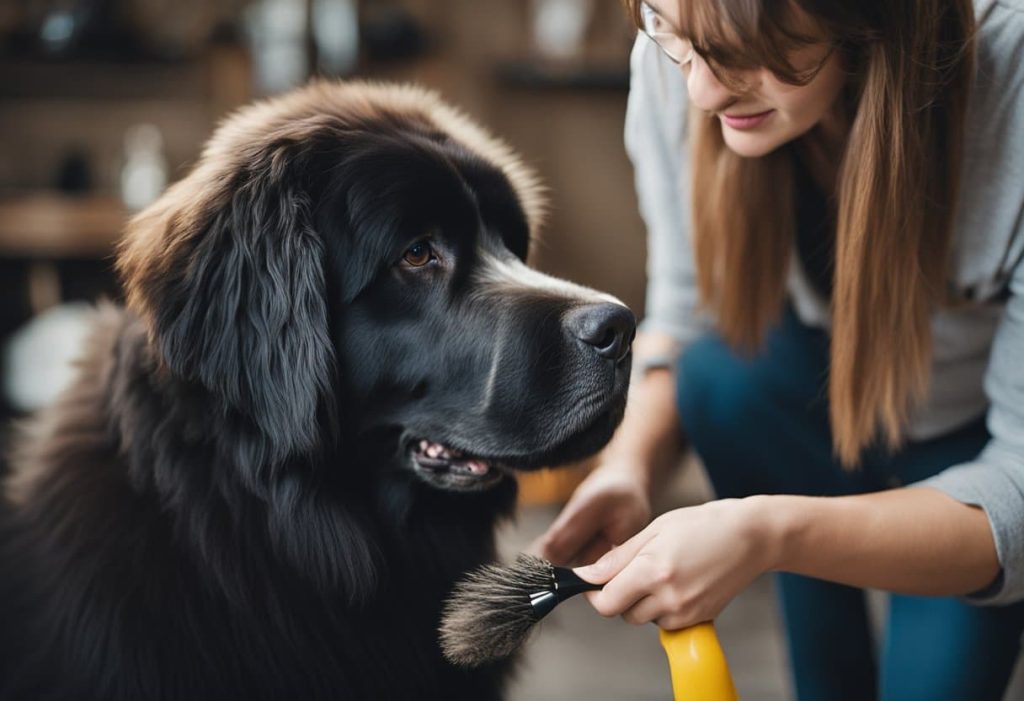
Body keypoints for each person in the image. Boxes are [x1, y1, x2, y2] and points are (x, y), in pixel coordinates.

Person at [535, 1, 1024, 699]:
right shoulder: (682, 63)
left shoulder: (1013, 78)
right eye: (672, 37)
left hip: (976, 441)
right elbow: (686, 314)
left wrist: (769, 530)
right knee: (719, 378)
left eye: (741, 52)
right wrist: (629, 467)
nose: (701, 92)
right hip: (812, 402)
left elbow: (1020, 491)